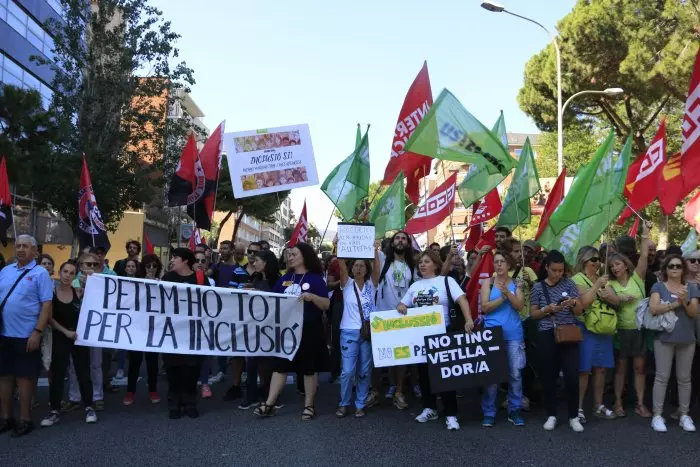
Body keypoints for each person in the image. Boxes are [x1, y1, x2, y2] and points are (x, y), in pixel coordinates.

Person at [398, 250, 473, 431]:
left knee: (445, 376)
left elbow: (462, 299)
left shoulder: (446, 281)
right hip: (421, 337)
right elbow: (404, 304)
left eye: (427, 261)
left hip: (443, 334)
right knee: (424, 374)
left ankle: (451, 414)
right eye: (420, 263)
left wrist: (469, 319)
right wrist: (401, 306)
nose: (422, 265)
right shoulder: (415, 286)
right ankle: (429, 407)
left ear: (436, 265)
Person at [253, 243, 330, 420]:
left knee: (309, 369)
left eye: (294, 254)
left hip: (309, 330)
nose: (290, 257)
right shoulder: (284, 278)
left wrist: (312, 297)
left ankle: (309, 405)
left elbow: (326, 304)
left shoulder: (316, 279)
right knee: (280, 366)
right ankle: (269, 404)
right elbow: (273, 302)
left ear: (305, 256)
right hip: (286, 332)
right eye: (288, 254)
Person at [0, 235, 54, 437]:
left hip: (27, 335)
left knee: (25, 378)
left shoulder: (40, 273)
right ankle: (6, 418)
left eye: (25, 246)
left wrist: (37, 332)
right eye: (18, 246)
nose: (20, 249)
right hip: (4, 333)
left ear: (34, 251)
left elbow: (46, 305)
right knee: (4, 377)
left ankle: (25, 419)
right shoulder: (5, 271)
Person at [600, 222, 651, 418]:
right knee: (621, 368)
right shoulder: (609, 283)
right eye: (611, 266)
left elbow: (645, 256)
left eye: (618, 264)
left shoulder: (638, 278)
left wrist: (645, 234)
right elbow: (610, 298)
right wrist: (622, 298)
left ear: (625, 264)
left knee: (639, 368)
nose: (615, 268)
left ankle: (640, 404)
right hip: (620, 330)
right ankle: (618, 402)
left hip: (638, 329)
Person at [530, 250, 585, 432]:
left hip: (568, 333)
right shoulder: (538, 287)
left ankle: (573, 416)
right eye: (554, 270)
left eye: (561, 270)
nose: (557, 274)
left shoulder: (569, 284)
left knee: (571, 376)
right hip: (547, 333)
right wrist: (547, 309)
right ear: (546, 268)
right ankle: (551, 414)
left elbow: (579, 311)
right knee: (549, 376)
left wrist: (573, 303)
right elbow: (533, 314)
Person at [40, 260, 97, 427]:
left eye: (72, 273)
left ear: (75, 276)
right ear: (59, 272)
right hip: (60, 336)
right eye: (65, 271)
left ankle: (89, 407)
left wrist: (90, 279)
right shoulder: (51, 293)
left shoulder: (78, 292)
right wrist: (65, 332)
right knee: (57, 375)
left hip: (78, 338)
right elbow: (49, 318)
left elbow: (98, 298)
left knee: (83, 373)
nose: (68, 275)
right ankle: (55, 410)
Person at [648, 255, 699, 433]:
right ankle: (657, 415)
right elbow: (653, 308)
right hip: (664, 338)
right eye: (671, 266)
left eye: (678, 266)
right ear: (666, 269)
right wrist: (675, 303)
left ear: (683, 269)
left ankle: (684, 414)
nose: (675, 269)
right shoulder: (658, 286)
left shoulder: (691, 287)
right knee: (662, 377)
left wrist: (684, 301)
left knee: (685, 379)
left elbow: (693, 313)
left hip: (687, 338)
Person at [479, 250, 525, 427]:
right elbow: (485, 307)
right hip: (492, 335)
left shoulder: (517, 283)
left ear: (509, 265)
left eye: (502, 261)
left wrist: (509, 293)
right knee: (492, 376)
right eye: (496, 262)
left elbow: (520, 306)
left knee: (515, 374)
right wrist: (502, 298)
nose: (498, 265)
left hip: (514, 335)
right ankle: (489, 412)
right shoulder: (487, 283)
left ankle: (514, 410)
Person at [571, 246, 615, 423]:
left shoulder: (603, 278)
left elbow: (614, 300)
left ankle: (599, 405)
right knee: (584, 369)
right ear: (584, 261)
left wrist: (608, 292)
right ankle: (579, 407)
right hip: (586, 328)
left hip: (603, 327)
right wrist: (597, 286)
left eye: (599, 260)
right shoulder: (576, 279)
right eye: (594, 260)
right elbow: (584, 302)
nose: (597, 263)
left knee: (601, 368)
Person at [335, 247, 380, 418]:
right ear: (351, 268)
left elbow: (377, 268)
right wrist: (340, 246)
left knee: (364, 370)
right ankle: (344, 403)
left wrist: (374, 250)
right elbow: (341, 265)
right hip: (348, 332)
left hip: (368, 333)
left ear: (366, 269)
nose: (359, 268)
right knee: (347, 371)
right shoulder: (346, 284)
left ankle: (360, 403)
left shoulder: (372, 285)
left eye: (362, 265)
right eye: (356, 266)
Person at [161, 248, 205, 419]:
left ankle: (190, 402)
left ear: (185, 260)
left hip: (193, 331)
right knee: (172, 368)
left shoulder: (200, 278)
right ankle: (174, 403)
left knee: (191, 368)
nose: (172, 260)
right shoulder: (167, 278)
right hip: (171, 330)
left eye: (175, 257)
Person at [376, 231, 416, 410]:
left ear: (408, 244)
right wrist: (367, 222)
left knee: (402, 356)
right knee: (387, 356)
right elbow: (370, 247)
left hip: (404, 318)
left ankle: (399, 392)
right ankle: (389, 386)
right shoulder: (383, 261)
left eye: (404, 239)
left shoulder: (413, 266)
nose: (400, 241)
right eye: (397, 238)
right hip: (384, 317)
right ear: (392, 243)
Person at [238, 250, 281, 409]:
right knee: (251, 363)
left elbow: (280, 300)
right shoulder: (255, 279)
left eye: (256, 261)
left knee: (269, 363)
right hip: (254, 327)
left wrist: (260, 293)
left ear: (266, 263)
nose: (253, 263)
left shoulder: (278, 281)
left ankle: (269, 395)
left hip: (271, 328)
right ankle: (251, 396)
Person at [64, 253, 106, 413]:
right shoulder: (71, 282)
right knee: (75, 365)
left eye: (95, 265)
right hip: (76, 329)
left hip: (96, 328)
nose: (92, 268)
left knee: (96, 364)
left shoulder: (103, 283)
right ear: (81, 266)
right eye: (88, 264)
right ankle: (74, 397)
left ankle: (97, 397)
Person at [123, 257, 162, 407]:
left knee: (152, 362)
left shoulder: (162, 283)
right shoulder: (136, 283)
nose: (151, 268)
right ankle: (130, 392)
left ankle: (153, 390)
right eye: (148, 266)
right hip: (138, 328)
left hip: (153, 328)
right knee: (135, 361)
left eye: (154, 266)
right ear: (143, 268)